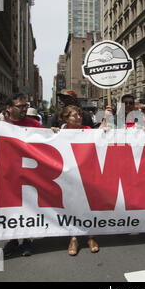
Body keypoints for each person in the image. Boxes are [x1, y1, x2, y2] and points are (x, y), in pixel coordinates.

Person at [0, 93, 44, 257]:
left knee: (29, 207)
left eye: (25, 106)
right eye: (20, 106)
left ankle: (28, 240)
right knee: (12, 209)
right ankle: (13, 240)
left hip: (30, 175)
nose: (24, 109)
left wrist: (56, 133)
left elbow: (49, 141)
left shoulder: (34, 124)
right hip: (9, 176)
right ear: (9, 108)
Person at [51, 105, 100, 255]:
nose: (78, 117)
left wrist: (105, 128)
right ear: (65, 118)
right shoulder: (59, 132)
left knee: (87, 204)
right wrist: (52, 135)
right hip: (67, 175)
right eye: (74, 115)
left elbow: (100, 138)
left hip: (86, 173)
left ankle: (90, 236)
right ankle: (73, 238)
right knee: (70, 205)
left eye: (79, 114)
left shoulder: (87, 129)